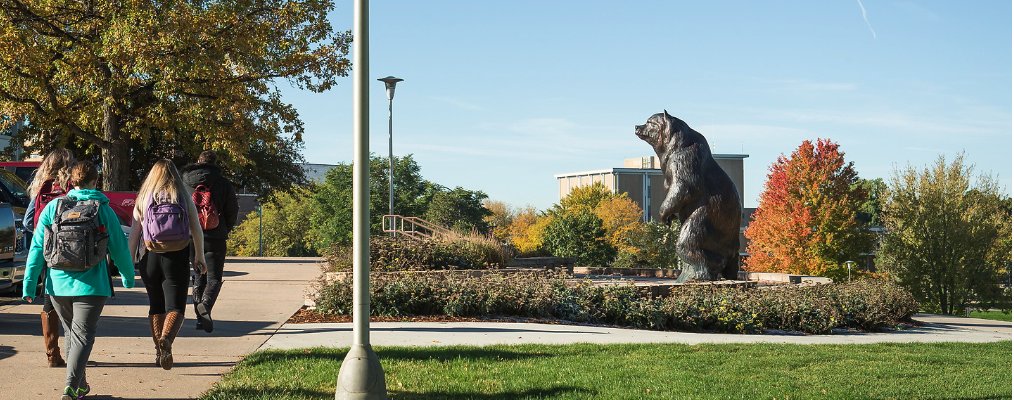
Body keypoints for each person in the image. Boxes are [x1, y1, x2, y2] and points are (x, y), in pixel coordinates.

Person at [22, 161, 135, 400]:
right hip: (92, 285)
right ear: (96, 181)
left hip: (57, 284)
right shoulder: (103, 209)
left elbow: (37, 248)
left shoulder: (53, 207)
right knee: (83, 335)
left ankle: (80, 386)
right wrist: (127, 276)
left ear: (71, 182)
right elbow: (119, 248)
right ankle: (71, 388)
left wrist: (29, 284)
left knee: (73, 333)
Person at [128, 159, 207, 370]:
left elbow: (134, 235)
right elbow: (197, 229)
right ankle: (167, 339)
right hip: (177, 257)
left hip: (150, 259)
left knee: (156, 306)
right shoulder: (181, 197)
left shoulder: (143, 198)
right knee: (176, 307)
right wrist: (199, 256)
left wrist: (129, 262)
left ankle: (158, 352)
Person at [23, 148, 77, 368]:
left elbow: (28, 221)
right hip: (74, 249)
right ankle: (75, 351)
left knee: (49, 297)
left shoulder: (42, 189)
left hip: (47, 251)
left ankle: (52, 354)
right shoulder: (72, 189)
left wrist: (44, 234)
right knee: (74, 298)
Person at [180, 150, 238, 333]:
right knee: (214, 278)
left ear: (198, 161)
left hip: (190, 236)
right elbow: (232, 211)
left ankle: (200, 317)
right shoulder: (223, 183)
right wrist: (224, 229)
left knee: (198, 276)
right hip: (215, 236)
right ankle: (205, 305)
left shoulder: (184, 181)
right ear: (214, 163)